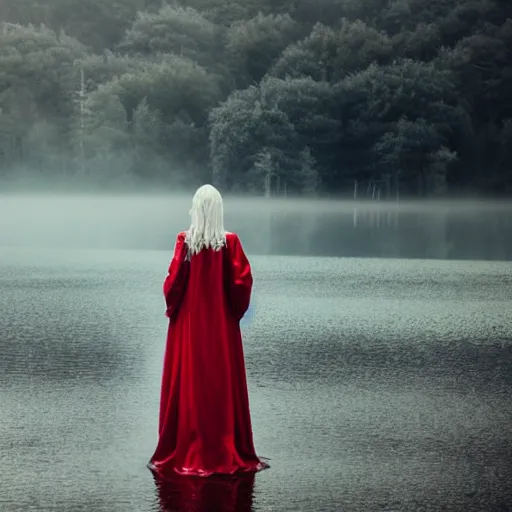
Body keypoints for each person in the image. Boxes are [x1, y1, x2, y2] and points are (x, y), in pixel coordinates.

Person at [148, 184, 268, 478]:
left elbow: (173, 286)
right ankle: (223, 448)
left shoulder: (185, 241)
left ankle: (188, 449)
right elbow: (242, 286)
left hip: (188, 331)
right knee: (220, 383)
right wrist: (232, 315)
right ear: (218, 210)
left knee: (189, 383)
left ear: (196, 209)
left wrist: (175, 306)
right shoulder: (231, 243)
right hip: (220, 331)